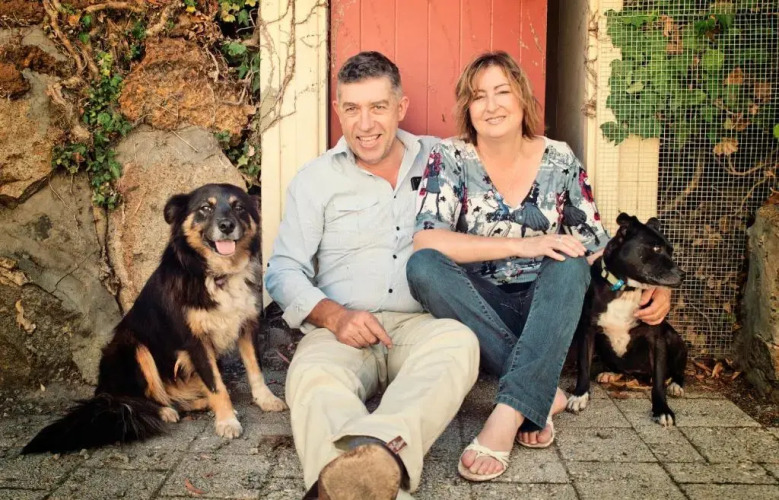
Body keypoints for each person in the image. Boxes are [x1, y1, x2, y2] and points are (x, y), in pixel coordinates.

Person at [406, 51, 672, 482]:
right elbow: (427, 239)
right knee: (423, 266)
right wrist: (524, 244)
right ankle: (540, 393)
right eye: (478, 96)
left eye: (502, 92)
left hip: (548, 306)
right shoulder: (450, 156)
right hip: (478, 304)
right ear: (467, 107)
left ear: (522, 99)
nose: (491, 106)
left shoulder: (559, 159)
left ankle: (508, 413)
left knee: (570, 264)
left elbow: (599, 246)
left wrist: (656, 284)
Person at [264, 51, 480, 499]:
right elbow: (283, 269)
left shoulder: (442, 160)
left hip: (420, 325)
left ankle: (370, 457)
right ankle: (372, 480)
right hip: (341, 329)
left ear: (401, 107)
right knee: (312, 379)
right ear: (338, 110)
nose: (365, 124)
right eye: (352, 108)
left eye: (378, 107)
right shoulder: (315, 179)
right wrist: (334, 316)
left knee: (460, 344)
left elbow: (505, 195)